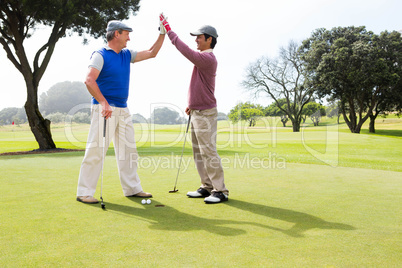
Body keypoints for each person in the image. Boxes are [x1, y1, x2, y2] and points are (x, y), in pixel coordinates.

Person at [76, 18, 165, 204]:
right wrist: (103, 103)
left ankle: (132, 189)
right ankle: (84, 192)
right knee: (96, 150)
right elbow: (89, 80)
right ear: (116, 33)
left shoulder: (126, 55)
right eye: (126, 34)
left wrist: (162, 33)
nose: (129, 38)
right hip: (104, 109)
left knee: (129, 150)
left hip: (123, 109)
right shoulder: (100, 55)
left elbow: (151, 53)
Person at [160, 14, 229, 204]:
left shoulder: (208, 59)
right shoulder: (202, 59)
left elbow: (185, 51)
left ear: (209, 39)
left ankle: (220, 190)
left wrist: (169, 30)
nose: (196, 40)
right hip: (197, 111)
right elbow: (198, 86)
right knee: (198, 152)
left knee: (208, 151)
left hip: (206, 113)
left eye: (199, 37)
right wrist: (192, 104)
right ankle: (207, 187)